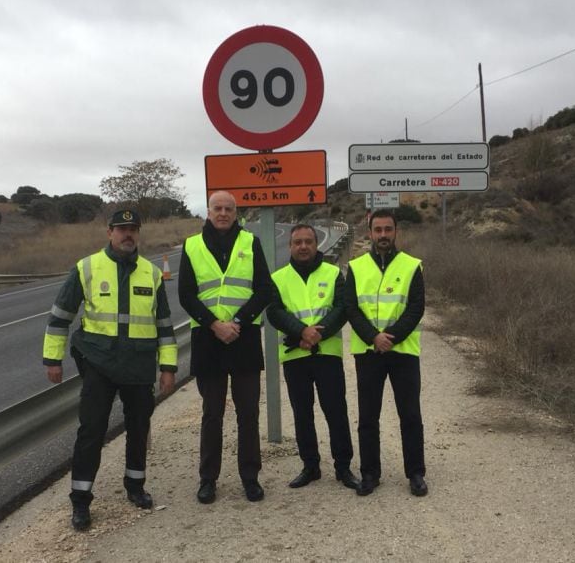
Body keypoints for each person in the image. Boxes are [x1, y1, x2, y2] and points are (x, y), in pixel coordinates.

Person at [42, 208, 177, 530]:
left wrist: (169, 367)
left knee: (139, 428)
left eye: (133, 229)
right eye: (121, 229)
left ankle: (135, 486)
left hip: (139, 365)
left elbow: (165, 325)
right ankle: (81, 500)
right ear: (109, 233)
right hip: (99, 364)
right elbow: (61, 316)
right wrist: (52, 359)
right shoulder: (87, 268)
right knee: (91, 431)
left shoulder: (152, 273)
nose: (127, 234)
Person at [178, 190, 272, 504]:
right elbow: (186, 294)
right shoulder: (192, 245)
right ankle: (208, 480)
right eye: (217, 208)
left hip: (243, 337)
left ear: (236, 212)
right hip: (207, 339)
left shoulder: (250, 242)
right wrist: (215, 325)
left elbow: (264, 289)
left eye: (228, 208)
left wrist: (239, 322)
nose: (222, 213)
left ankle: (250, 477)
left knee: (248, 413)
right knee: (211, 414)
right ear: (208, 211)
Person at [267, 224, 360, 490]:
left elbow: (342, 308)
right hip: (295, 355)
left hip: (327, 353)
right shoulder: (279, 278)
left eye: (308, 241)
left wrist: (318, 334)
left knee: (336, 411)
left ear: (316, 244)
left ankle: (343, 467)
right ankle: (310, 466)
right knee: (302, 413)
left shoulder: (333, 273)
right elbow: (274, 312)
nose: (303, 246)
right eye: (298, 242)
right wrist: (302, 332)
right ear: (290, 246)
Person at [343, 209, 428, 497]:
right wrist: (373, 337)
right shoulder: (355, 267)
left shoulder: (412, 266)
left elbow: (416, 307)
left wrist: (389, 337)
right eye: (377, 230)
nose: (382, 235)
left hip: (402, 351)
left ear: (395, 232)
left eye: (387, 230)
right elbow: (351, 308)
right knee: (368, 416)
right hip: (368, 352)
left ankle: (415, 473)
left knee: (410, 415)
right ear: (369, 232)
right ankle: (370, 473)